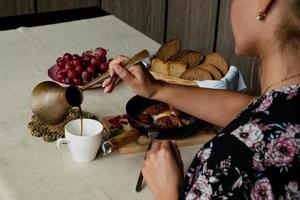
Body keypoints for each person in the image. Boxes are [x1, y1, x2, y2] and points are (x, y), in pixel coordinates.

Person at [103, 0, 300, 199]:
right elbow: (257, 110)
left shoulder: (232, 162)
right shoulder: (286, 101)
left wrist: (168, 193)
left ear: (264, 3)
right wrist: (156, 90)